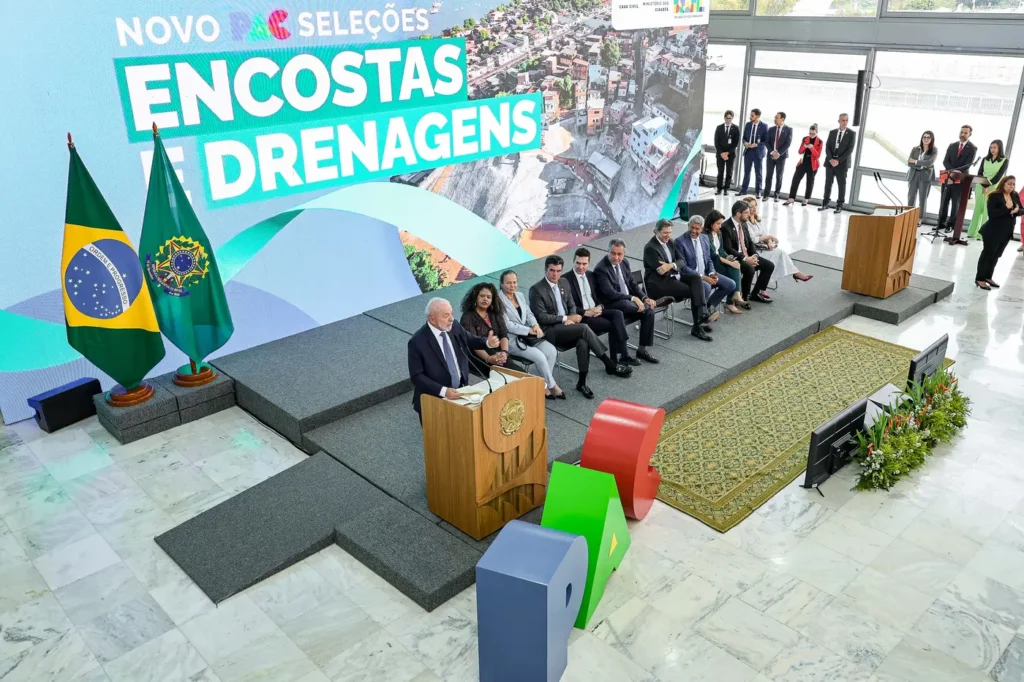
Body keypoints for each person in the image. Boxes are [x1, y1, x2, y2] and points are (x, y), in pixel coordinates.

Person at [528, 255, 632, 399]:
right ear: (545, 269)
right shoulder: (536, 289)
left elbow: (571, 305)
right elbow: (542, 317)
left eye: (558, 271)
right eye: (552, 271)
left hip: (569, 326)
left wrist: (571, 318)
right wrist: (566, 319)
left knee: (583, 341)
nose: (555, 274)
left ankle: (582, 383)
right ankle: (609, 363)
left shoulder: (563, 282)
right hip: (550, 331)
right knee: (583, 328)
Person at [408, 297, 500, 418]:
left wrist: (487, 342)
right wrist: (444, 391)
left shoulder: (454, 326)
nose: (451, 318)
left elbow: (470, 340)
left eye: (451, 313)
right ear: (432, 319)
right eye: (446, 315)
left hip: (460, 392)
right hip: (434, 399)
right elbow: (417, 376)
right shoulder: (417, 342)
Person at [497, 270, 565, 399]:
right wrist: (528, 330)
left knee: (552, 351)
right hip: (512, 340)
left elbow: (528, 314)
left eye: (515, 282)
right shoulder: (498, 301)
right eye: (509, 283)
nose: (512, 285)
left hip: (529, 337)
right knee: (540, 357)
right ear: (501, 284)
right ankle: (552, 386)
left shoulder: (519, 295)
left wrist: (535, 325)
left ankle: (543, 385)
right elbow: (508, 325)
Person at [643, 219, 714, 341]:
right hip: (659, 284)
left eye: (670, 232)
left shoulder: (670, 242)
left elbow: (682, 262)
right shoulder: (650, 248)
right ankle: (698, 325)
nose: (668, 235)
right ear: (656, 231)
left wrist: (670, 265)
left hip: (673, 277)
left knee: (696, 278)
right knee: (694, 290)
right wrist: (674, 266)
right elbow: (662, 272)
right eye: (665, 233)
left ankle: (702, 314)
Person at [562, 247, 635, 366]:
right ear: (573, 261)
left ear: (589, 263)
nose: (581, 267)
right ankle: (615, 361)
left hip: (596, 310)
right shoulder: (565, 279)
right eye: (578, 263)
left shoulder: (591, 275)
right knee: (613, 325)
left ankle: (623, 353)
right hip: (583, 316)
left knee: (618, 314)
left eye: (584, 264)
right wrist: (585, 312)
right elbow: (566, 305)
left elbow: (599, 295)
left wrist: (600, 306)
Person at [591, 240, 661, 363]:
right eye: (613, 253)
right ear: (608, 251)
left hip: (627, 303)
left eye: (619, 254)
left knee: (649, 312)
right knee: (628, 305)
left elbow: (632, 283)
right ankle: (650, 305)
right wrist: (633, 298)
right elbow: (610, 293)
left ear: (624, 254)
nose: (616, 257)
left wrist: (644, 298)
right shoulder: (601, 269)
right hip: (610, 304)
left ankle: (642, 350)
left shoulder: (624, 262)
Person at [674, 216, 738, 322]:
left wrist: (712, 272)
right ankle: (701, 318)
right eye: (691, 227)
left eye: (697, 229)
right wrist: (702, 277)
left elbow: (708, 259)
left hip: (705, 273)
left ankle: (706, 307)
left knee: (731, 284)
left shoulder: (704, 238)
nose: (693, 231)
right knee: (707, 287)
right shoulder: (680, 242)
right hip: (690, 277)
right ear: (688, 226)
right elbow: (683, 267)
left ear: (702, 228)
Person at [460, 281, 525, 376]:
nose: (485, 299)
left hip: (498, 353)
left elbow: (503, 334)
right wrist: (489, 358)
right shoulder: (468, 317)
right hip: (478, 358)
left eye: (488, 297)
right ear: (475, 297)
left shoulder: (495, 313)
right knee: (515, 375)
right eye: (482, 296)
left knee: (515, 374)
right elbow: (473, 343)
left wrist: (504, 352)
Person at [743, 196, 813, 282]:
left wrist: (769, 241)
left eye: (755, 205)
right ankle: (795, 273)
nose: (754, 208)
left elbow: (765, 233)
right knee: (780, 254)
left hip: (762, 247)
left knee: (779, 253)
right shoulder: (745, 222)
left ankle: (795, 273)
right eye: (751, 206)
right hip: (754, 250)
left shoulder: (757, 219)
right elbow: (753, 239)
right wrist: (769, 237)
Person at [721, 200, 775, 303]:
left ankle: (755, 293)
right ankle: (744, 297)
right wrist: (745, 258)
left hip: (747, 255)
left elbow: (749, 242)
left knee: (769, 265)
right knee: (750, 269)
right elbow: (728, 248)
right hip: (735, 258)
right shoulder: (725, 227)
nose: (749, 215)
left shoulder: (744, 224)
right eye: (746, 212)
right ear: (738, 213)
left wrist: (754, 255)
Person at [975, 175, 1020, 290]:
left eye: (1013, 184)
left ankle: (988, 277)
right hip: (993, 231)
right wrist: (1006, 208)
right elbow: (992, 214)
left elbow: (1021, 209)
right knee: (987, 255)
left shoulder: (1015, 195)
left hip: (1006, 232)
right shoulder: (994, 196)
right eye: (1009, 184)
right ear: (1003, 184)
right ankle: (980, 279)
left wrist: (1016, 210)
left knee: (996, 256)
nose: (1012, 186)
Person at [704, 210, 747, 313]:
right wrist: (730, 263)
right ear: (710, 223)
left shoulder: (719, 233)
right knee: (734, 269)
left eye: (721, 223)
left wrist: (728, 257)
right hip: (711, 265)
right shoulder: (704, 235)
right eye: (717, 224)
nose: (720, 226)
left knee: (735, 266)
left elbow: (721, 250)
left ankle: (734, 297)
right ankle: (732, 299)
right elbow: (713, 255)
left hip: (719, 262)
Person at [937, 125, 978, 232]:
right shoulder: (952, 145)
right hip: (947, 174)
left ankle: (950, 225)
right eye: (961, 132)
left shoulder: (972, 148)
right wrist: (952, 171)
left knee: (955, 202)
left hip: (961, 176)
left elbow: (968, 164)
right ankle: (940, 223)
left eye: (965, 133)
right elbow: (945, 161)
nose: (962, 134)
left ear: (970, 134)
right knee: (944, 200)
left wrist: (956, 172)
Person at [967, 140, 1007, 239]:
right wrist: (984, 185)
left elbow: (998, 176)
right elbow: (980, 173)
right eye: (991, 147)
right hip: (980, 186)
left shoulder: (1004, 160)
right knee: (977, 209)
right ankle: (972, 232)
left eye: (995, 147)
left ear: (999, 148)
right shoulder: (985, 159)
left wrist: (987, 186)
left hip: (993, 188)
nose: (992, 149)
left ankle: (982, 235)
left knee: (987, 211)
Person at [819, 113, 856, 214]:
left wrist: (838, 160)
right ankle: (825, 203)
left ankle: (839, 205)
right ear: (839, 121)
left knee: (841, 184)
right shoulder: (832, 132)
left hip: (842, 163)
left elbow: (850, 150)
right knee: (828, 183)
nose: (845, 122)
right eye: (843, 120)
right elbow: (827, 147)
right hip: (830, 162)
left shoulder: (852, 134)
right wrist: (831, 159)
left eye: (846, 120)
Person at [784, 125, 822, 206]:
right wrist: (804, 147)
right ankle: (791, 198)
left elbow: (817, 155)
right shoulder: (805, 138)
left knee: (810, 182)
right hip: (803, 163)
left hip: (812, 165)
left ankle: (806, 199)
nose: (811, 135)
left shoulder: (820, 141)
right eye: (810, 133)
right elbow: (800, 152)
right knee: (795, 180)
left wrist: (812, 148)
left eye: (813, 133)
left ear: (816, 132)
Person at [906, 131, 938, 218]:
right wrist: (922, 165)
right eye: (924, 137)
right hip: (914, 174)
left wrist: (916, 161)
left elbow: (929, 163)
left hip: (925, 176)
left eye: (928, 137)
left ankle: (920, 218)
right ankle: (909, 217)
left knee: (923, 198)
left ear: (931, 139)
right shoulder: (915, 149)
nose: (926, 139)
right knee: (911, 197)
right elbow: (909, 163)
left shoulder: (934, 150)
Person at [762, 112, 792, 202]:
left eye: (776, 118)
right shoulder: (771, 129)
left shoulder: (789, 129)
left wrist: (778, 153)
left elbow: (788, 143)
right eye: (775, 117)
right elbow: (766, 141)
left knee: (779, 176)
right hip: (771, 156)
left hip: (781, 157)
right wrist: (772, 152)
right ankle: (766, 195)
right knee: (769, 175)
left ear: (782, 119)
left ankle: (776, 195)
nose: (775, 119)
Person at [740, 109, 769, 197]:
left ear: (757, 116)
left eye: (752, 115)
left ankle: (758, 191)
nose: (750, 117)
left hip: (758, 152)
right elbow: (744, 138)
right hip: (748, 151)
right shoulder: (748, 125)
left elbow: (766, 141)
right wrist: (745, 143)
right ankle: (744, 190)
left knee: (758, 172)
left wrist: (757, 144)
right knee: (746, 172)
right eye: (750, 115)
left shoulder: (764, 126)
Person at [714, 110, 740, 196]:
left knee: (729, 172)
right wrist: (722, 153)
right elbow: (716, 142)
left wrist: (727, 153)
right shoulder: (719, 128)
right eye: (727, 118)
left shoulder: (736, 128)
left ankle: (726, 189)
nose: (728, 120)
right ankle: (719, 188)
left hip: (730, 154)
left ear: (732, 118)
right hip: (720, 154)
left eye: (730, 118)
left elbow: (736, 143)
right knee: (720, 172)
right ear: (724, 118)